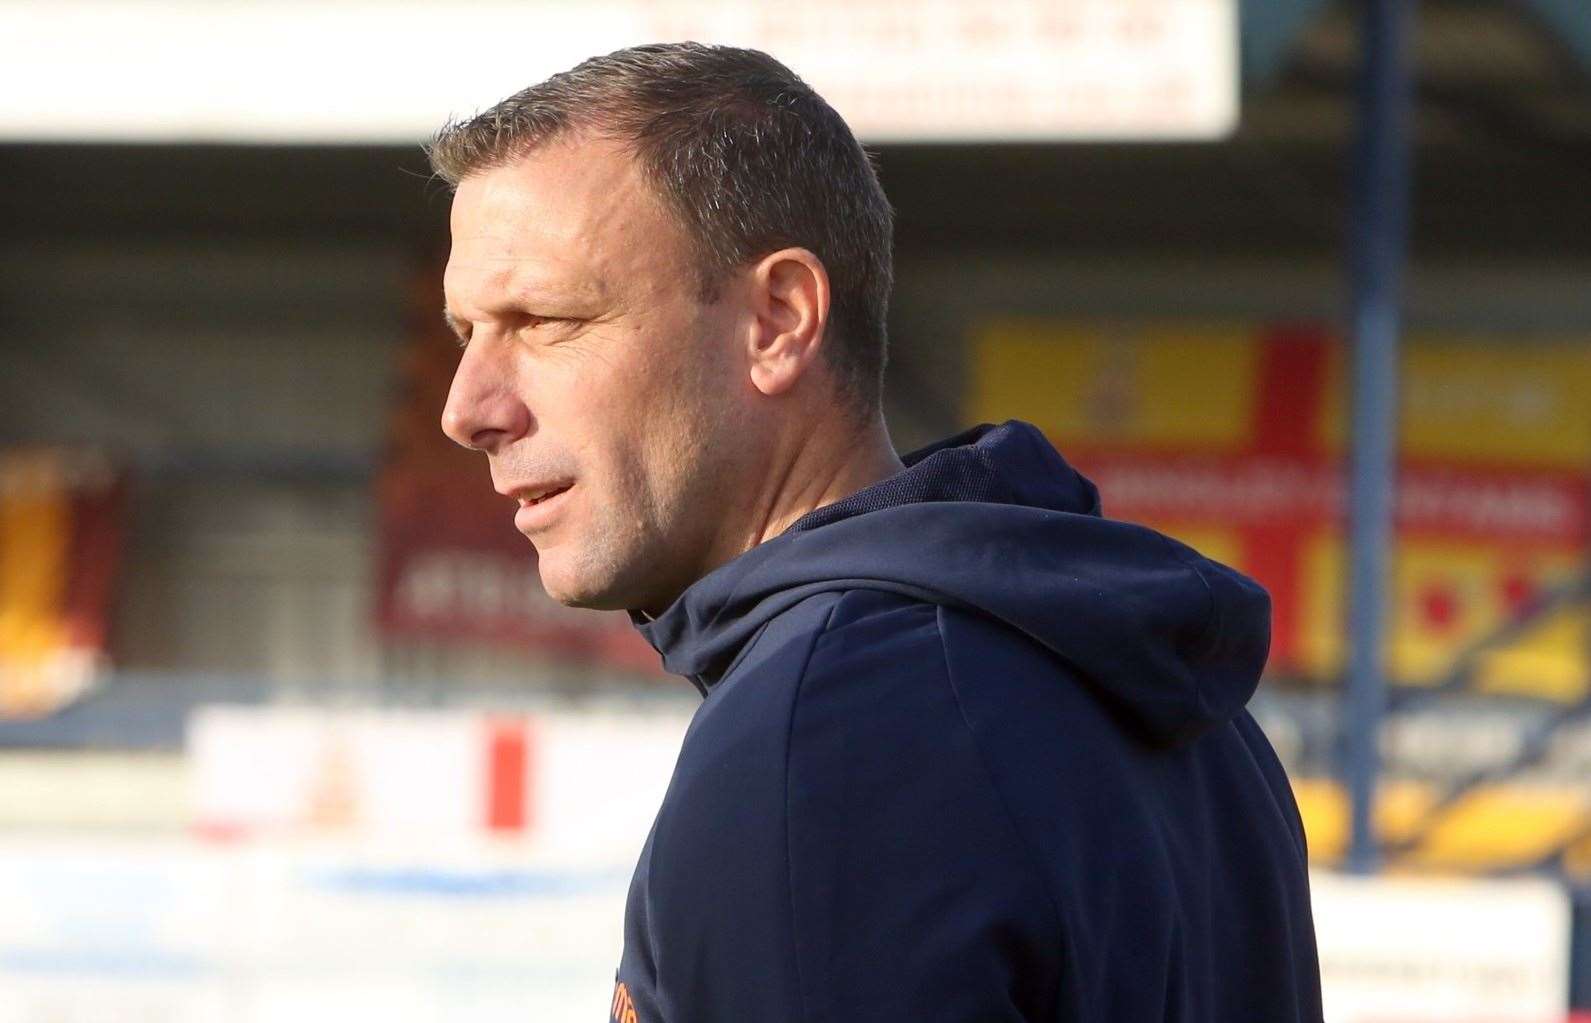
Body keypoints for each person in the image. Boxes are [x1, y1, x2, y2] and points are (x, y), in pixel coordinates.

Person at [432, 42, 1322, 1023]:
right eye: (464, 333)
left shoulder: (824, 736)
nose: (469, 407)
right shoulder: (1153, 689)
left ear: (777, 321)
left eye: (546, 319)